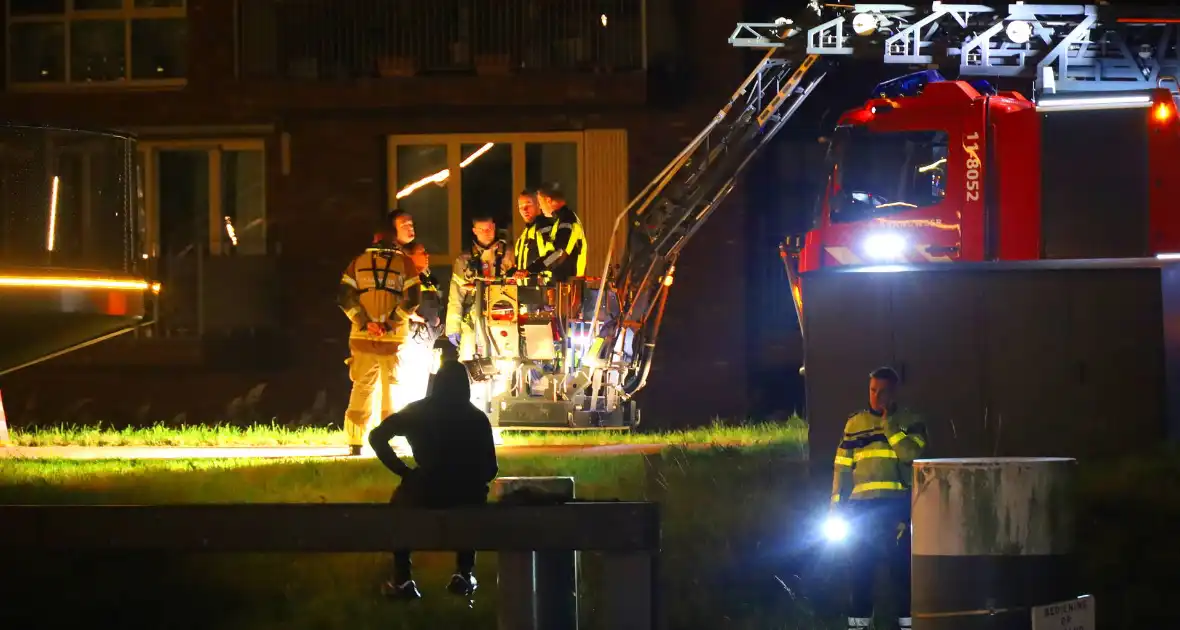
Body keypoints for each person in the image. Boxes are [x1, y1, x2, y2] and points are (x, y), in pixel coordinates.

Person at [369, 359, 499, 601]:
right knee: (474, 499)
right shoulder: (476, 418)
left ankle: (402, 577)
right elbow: (490, 469)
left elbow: (377, 436)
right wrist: (471, 477)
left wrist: (404, 471)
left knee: (400, 506)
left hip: (425, 488)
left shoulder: (417, 411)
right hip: (465, 493)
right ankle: (464, 571)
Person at [831, 366, 928, 630]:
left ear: (894, 392)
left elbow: (912, 456)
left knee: (901, 575)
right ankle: (859, 626)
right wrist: (836, 508)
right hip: (861, 510)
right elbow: (841, 468)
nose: (876, 397)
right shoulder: (855, 423)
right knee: (860, 573)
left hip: (897, 509)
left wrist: (890, 426)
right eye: (873, 390)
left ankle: (907, 627)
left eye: (882, 391)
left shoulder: (910, 420)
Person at [338, 224, 422, 456]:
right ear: (394, 242)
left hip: (361, 337)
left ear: (374, 240)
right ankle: (389, 439)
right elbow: (412, 299)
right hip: (393, 339)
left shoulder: (357, 263)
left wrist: (365, 323)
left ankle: (355, 441)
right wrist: (388, 323)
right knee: (392, 389)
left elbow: (344, 298)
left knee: (361, 388)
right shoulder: (405, 263)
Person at [446, 215, 515, 352]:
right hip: (473, 318)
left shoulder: (509, 253)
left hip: (505, 315)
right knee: (470, 357)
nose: (486, 232)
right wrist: (453, 327)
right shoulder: (464, 259)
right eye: (481, 229)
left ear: (494, 227)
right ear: (474, 231)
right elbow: (456, 295)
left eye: (489, 228)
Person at [398, 242, 444, 405]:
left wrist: (436, 322)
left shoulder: (427, 278)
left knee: (421, 382)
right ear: (410, 256)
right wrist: (415, 318)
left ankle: (414, 421)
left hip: (427, 337)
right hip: (413, 336)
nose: (427, 255)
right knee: (408, 382)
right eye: (422, 252)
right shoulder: (404, 277)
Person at [527, 181, 587, 283]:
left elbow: (559, 253)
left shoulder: (568, 220)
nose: (540, 208)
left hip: (570, 287)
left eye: (540, 203)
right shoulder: (562, 221)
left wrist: (532, 269)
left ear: (548, 200)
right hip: (565, 285)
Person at [511, 189, 549, 278]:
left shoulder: (546, 228)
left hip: (545, 288)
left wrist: (530, 270)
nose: (524, 209)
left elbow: (553, 258)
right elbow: (519, 266)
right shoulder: (524, 235)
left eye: (528, 204)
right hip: (525, 288)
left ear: (539, 204)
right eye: (520, 206)